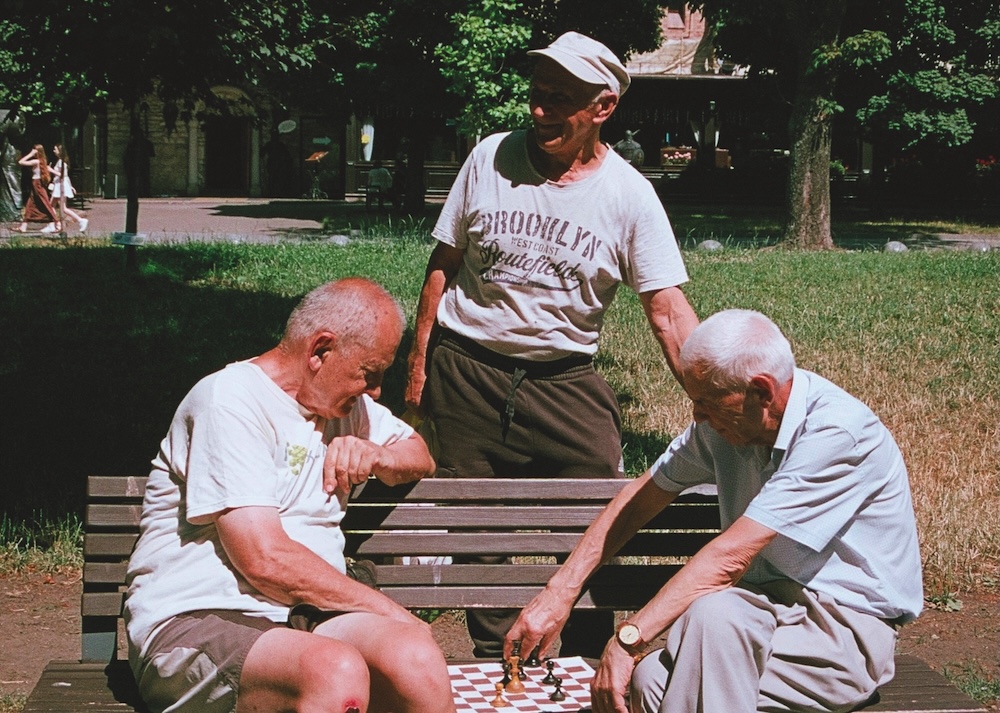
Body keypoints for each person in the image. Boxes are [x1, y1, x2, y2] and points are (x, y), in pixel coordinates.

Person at [404, 31, 699, 659]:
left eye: (560, 100)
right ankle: (496, 661)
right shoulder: (489, 157)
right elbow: (443, 264)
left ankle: (592, 659)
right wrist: (417, 368)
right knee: (479, 530)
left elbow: (667, 310)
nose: (540, 112)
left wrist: (712, 396)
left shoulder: (628, 195)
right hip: (468, 370)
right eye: (537, 96)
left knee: (597, 508)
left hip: (564, 379)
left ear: (602, 107)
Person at [506, 309, 923, 713]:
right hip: (757, 620)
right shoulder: (723, 428)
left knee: (713, 614)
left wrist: (628, 638)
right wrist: (559, 592)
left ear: (762, 391)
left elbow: (729, 559)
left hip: (840, 636)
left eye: (708, 401)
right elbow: (638, 501)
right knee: (649, 680)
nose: (697, 415)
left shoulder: (836, 433)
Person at [124, 278, 456, 713]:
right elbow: (263, 560)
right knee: (333, 672)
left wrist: (377, 456)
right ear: (320, 351)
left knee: (415, 658)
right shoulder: (229, 401)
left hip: (304, 617)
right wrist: (392, 612)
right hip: (198, 619)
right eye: (369, 374)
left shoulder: (344, 406)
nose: (376, 392)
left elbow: (419, 453)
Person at [17, 144, 58, 233]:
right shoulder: (42, 161)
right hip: (35, 183)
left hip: (37, 183)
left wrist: (31, 154)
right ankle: (23, 226)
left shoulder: (36, 161)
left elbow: (21, 162)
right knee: (30, 204)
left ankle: (55, 222)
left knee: (45, 202)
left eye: (34, 150)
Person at [49, 144, 88, 233]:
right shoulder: (60, 161)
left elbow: (62, 175)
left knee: (61, 207)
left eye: (55, 149)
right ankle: (57, 224)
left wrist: (50, 170)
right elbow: (65, 176)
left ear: (60, 151)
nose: (53, 151)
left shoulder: (61, 162)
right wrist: (70, 186)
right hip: (59, 185)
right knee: (53, 206)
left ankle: (79, 220)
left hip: (60, 186)